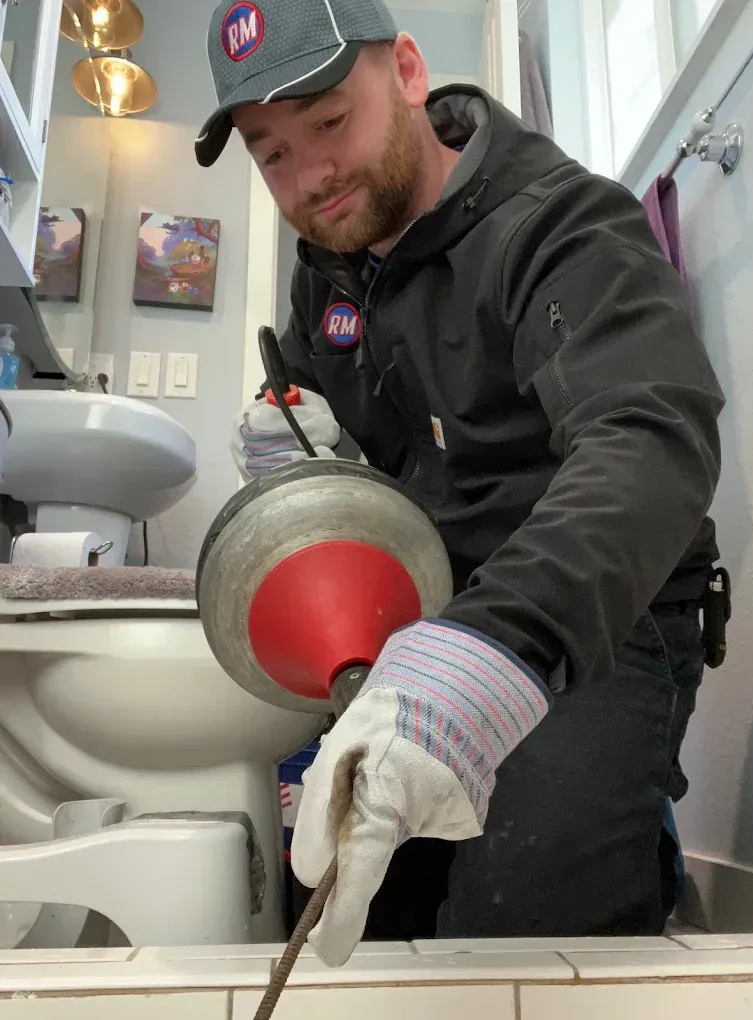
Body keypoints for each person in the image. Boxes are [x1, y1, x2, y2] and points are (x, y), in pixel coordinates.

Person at [197, 0, 724, 965]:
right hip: (425, 619)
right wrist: (306, 457)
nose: (308, 178)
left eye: (326, 122)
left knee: (511, 941)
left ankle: (627, 840)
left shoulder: (563, 226)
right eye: (270, 154)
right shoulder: (332, 264)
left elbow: (649, 437)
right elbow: (346, 432)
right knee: (361, 917)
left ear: (405, 73)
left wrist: (493, 651)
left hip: (591, 619)